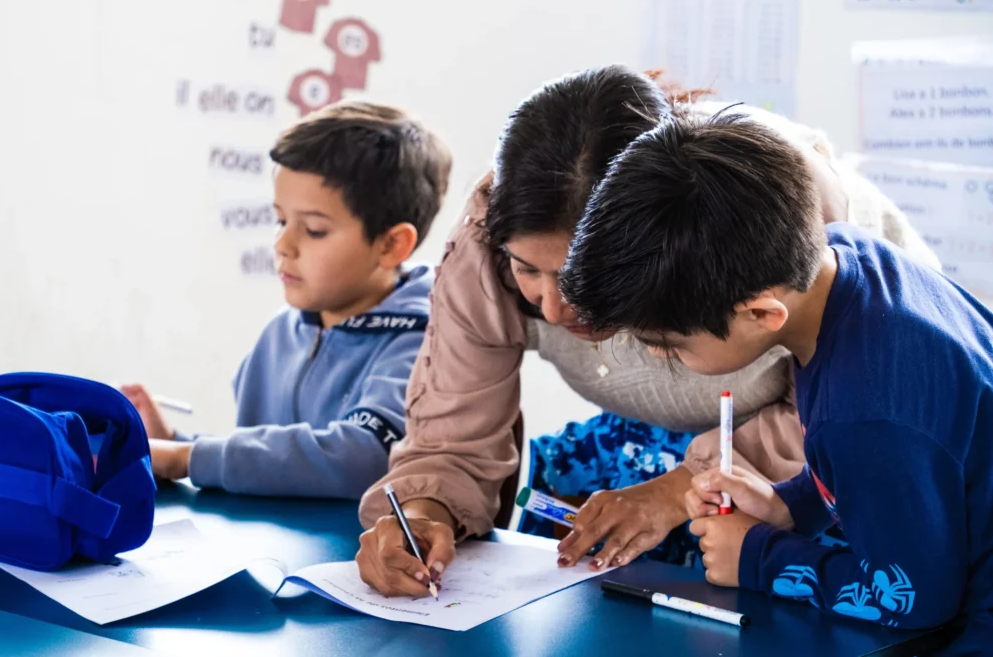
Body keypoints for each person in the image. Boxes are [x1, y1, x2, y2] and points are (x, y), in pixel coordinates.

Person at [353, 66, 938, 598]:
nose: (554, 309)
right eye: (526, 269)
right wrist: (424, 510)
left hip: (834, 434)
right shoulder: (485, 241)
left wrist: (678, 491)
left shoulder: (774, 220)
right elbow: (452, 436)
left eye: (577, 277)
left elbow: (851, 418)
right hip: (692, 441)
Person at [561, 106, 992, 651]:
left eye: (670, 345)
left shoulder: (867, 409)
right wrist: (791, 503)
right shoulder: (850, 258)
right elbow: (919, 472)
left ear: (762, 315)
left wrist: (757, 557)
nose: (659, 356)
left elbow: (910, 600)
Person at [121, 100, 452, 498]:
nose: (282, 244)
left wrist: (185, 456)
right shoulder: (280, 333)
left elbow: (362, 458)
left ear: (392, 245)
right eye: (280, 221)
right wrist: (172, 440)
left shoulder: (421, 343)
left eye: (313, 230)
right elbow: (276, 468)